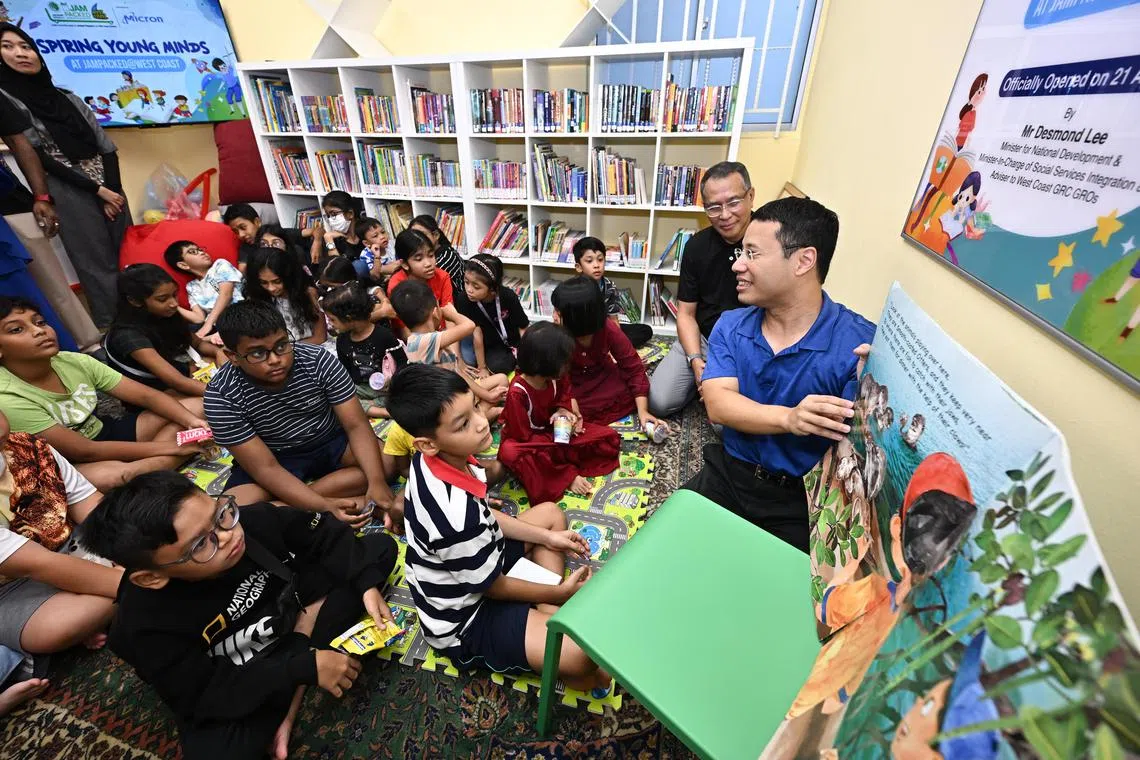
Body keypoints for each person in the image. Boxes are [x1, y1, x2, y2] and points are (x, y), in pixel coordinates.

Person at [80, 471, 398, 760]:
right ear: (152, 577)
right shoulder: (144, 627)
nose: (228, 535)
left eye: (220, 514)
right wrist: (299, 669)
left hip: (288, 604)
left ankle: (304, 636)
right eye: (202, 544)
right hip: (237, 668)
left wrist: (364, 584)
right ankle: (305, 638)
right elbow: (203, 693)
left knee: (376, 552)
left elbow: (323, 532)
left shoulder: (249, 522)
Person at [387, 363, 611, 693]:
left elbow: (485, 518)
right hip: (465, 618)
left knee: (550, 516)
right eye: (463, 424)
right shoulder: (452, 516)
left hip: (480, 556)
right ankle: (553, 607)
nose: (481, 425)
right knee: (582, 658)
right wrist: (559, 591)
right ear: (427, 444)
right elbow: (492, 587)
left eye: (475, 408)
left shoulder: (445, 459)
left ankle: (548, 610)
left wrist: (548, 537)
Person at [686, 197, 876, 552]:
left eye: (752, 254)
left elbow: (870, 451)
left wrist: (876, 388)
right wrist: (790, 418)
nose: (738, 265)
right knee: (672, 548)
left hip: (802, 502)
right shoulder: (731, 324)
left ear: (803, 261)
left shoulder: (861, 345)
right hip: (730, 474)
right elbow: (718, 405)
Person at [202, 302, 394, 528]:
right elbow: (265, 468)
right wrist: (324, 506)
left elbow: (356, 426)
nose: (275, 359)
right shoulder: (221, 395)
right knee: (230, 515)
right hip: (274, 457)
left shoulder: (317, 360)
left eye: (282, 345)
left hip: (330, 441)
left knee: (386, 463)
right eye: (258, 353)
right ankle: (315, 502)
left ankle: (286, 505)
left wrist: (377, 482)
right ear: (232, 356)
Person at [0, 297, 211, 492]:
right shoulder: (6, 398)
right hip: (69, 461)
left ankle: (159, 466)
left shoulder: (73, 361)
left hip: (105, 432)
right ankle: (170, 458)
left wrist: (191, 422)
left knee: (196, 407)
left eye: (40, 322)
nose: (39, 331)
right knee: (119, 476)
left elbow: (148, 397)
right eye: (17, 329)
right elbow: (85, 451)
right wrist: (170, 447)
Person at [0, 24, 128, 328]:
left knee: (128, 258)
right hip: (66, 187)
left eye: (26, 46)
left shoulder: (67, 96)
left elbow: (106, 146)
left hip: (108, 186)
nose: (21, 53)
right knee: (98, 268)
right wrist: (99, 191)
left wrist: (113, 191)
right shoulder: (10, 103)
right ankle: (118, 334)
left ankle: (149, 327)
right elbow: (37, 154)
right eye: (8, 46)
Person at [0, 409, 120, 696]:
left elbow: (92, 508)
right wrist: (148, 575)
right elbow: (40, 566)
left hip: (67, 542)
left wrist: (127, 548)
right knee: (57, 628)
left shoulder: (28, 448)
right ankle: (121, 598)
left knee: (134, 530)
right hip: (10, 587)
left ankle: (110, 604)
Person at [647, 161, 756, 418]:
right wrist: (696, 361)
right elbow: (685, 313)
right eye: (713, 207)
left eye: (733, 202)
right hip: (705, 337)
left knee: (725, 421)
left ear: (751, 196)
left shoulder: (770, 240)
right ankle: (702, 384)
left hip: (749, 344)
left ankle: (712, 388)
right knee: (658, 402)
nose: (725, 215)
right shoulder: (696, 246)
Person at [498, 322, 620, 502]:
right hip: (530, 442)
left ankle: (560, 459)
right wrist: (555, 439)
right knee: (512, 454)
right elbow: (521, 436)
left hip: (554, 431)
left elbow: (564, 395)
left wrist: (564, 411)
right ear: (545, 365)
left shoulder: (555, 377)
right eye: (564, 363)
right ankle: (565, 475)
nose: (567, 367)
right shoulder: (517, 393)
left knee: (608, 438)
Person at [551, 277, 663, 436]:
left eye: (558, 312)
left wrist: (643, 411)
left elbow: (632, 365)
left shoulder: (607, 328)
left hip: (603, 376)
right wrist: (570, 405)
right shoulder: (556, 335)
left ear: (576, 319)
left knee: (636, 391)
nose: (553, 316)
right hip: (571, 384)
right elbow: (559, 379)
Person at [104, 264, 219, 397]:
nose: (174, 303)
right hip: (154, 394)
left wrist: (218, 353)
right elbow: (177, 382)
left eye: (175, 295)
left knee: (222, 361)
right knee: (211, 406)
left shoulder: (165, 314)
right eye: (162, 299)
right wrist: (227, 396)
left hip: (179, 373)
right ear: (134, 301)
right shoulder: (127, 336)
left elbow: (196, 343)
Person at [323, 281, 406, 418]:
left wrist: (395, 384)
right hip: (363, 388)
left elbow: (403, 363)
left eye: (333, 320)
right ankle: (384, 411)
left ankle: (379, 409)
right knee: (336, 397)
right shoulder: (342, 340)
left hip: (388, 389)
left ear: (348, 318)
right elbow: (346, 372)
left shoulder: (383, 336)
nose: (330, 324)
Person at [571, 236, 652, 349]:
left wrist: (617, 339)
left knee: (645, 330)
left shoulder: (609, 286)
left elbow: (613, 319)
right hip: (581, 333)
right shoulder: (573, 288)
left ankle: (608, 347)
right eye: (589, 261)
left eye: (600, 259)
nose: (596, 265)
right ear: (579, 267)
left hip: (604, 329)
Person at [457, 254, 528, 375]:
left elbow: (523, 327)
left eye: (476, 286)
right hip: (489, 343)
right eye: (466, 282)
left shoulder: (508, 296)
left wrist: (527, 353)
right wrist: (482, 368)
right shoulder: (464, 299)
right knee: (496, 366)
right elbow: (477, 335)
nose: (469, 289)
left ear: (493, 289)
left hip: (512, 339)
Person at [243, 247, 328, 346]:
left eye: (277, 281)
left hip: (311, 348)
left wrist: (288, 349)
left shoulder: (308, 294)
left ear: (287, 276)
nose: (271, 288)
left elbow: (320, 337)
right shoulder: (255, 299)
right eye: (264, 282)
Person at [165, 240, 245, 342]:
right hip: (216, 325)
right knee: (181, 332)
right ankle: (212, 338)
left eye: (199, 249)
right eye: (193, 252)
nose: (202, 252)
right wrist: (173, 305)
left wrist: (208, 325)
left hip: (238, 313)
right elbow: (198, 318)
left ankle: (210, 338)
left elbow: (226, 295)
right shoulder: (192, 287)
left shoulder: (220, 265)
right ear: (183, 265)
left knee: (197, 337)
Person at [386, 229, 457, 335]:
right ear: (404, 264)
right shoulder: (396, 286)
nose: (428, 263)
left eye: (431, 255)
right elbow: (404, 331)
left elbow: (450, 318)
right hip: (416, 342)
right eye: (419, 259)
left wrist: (453, 351)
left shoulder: (442, 276)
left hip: (443, 334)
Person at [223, 203, 317, 269]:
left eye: (243, 227)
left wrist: (317, 243)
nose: (241, 235)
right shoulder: (246, 248)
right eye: (235, 231)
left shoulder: (277, 233)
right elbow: (243, 269)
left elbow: (316, 231)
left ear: (257, 222)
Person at [409, 214, 465, 292]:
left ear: (436, 235)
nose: (417, 239)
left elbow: (426, 282)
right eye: (413, 236)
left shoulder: (448, 257)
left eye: (422, 235)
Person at [318, 191, 365, 260]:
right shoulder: (331, 240)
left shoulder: (366, 232)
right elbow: (337, 268)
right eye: (328, 216)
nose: (330, 219)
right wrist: (329, 240)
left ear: (350, 213)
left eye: (333, 214)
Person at [353, 217, 398, 284]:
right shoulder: (366, 254)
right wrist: (377, 256)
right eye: (375, 236)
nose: (382, 237)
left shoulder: (392, 244)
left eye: (383, 232)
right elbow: (375, 276)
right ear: (366, 243)